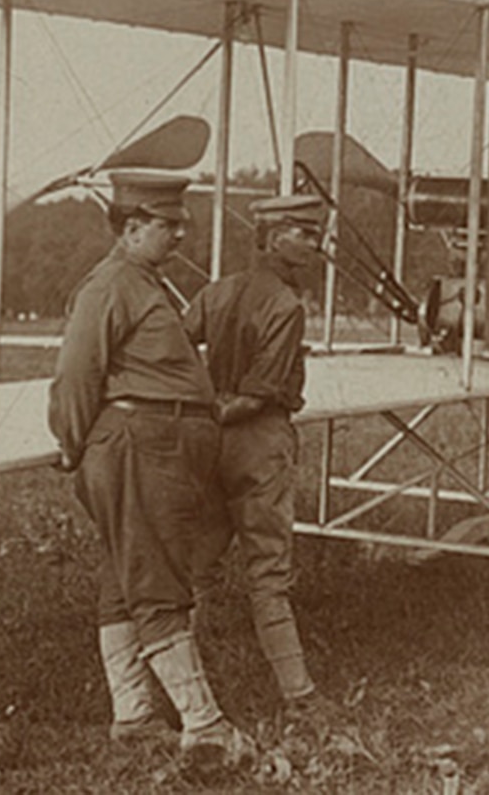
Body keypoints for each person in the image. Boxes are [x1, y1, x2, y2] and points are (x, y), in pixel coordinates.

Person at [48, 170, 255, 766]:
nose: (183, 233)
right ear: (132, 227)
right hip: (140, 444)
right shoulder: (112, 284)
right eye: (171, 225)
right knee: (159, 582)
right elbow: (76, 374)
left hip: (160, 445)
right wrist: (71, 442)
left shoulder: (146, 282)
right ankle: (206, 728)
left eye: (183, 223)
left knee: (126, 581)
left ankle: (135, 716)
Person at [185, 194, 323, 713]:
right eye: (303, 233)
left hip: (212, 442)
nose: (314, 243)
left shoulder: (216, 291)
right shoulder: (286, 306)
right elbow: (263, 393)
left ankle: (182, 687)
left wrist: (200, 408)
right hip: (259, 440)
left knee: (196, 564)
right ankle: (300, 695)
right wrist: (223, 409)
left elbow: (174, 347)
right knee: (269, 571)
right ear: (272, 236)